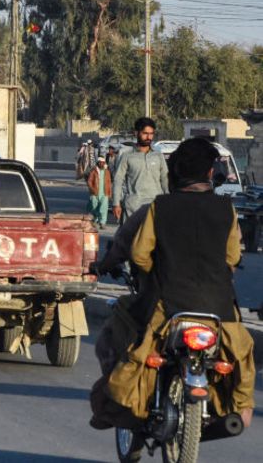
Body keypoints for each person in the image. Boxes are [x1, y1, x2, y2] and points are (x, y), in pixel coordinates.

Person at [89, 138, 255, 429]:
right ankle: (234, 410)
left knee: (117, 335)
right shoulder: (226, 209)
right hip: (219, 310)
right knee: (240, 354)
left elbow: (139, 254)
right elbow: (232, 256)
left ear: (174, 172)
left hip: (166, 307)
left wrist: (159, 273)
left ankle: (122, 409)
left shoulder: (159, 207)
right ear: (209, 174)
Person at [111, 117, 168, 226]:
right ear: (136, 133)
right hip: (133, 208)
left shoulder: (158, 156)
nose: (148, 137)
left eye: (151, 134)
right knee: (131, 242)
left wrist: (169, 201)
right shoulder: (127, 156)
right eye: (145, 133)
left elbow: (165, 179)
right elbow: (118, 180)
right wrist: (116, 204)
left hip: (155, 207)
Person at [86, 156, 112, 228]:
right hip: (95, 192)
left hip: (104, 193)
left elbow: (109, 182)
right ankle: (94, 220)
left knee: (103, 208)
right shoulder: (94, 171)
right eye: (100, 162)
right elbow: (89, 181)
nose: (101, 164)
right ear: (98, 163)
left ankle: (102, 222)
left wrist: (110, 193)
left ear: (104, 163)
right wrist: (92, 189)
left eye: (103, 162)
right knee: (94, 206)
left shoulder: (107, 172)